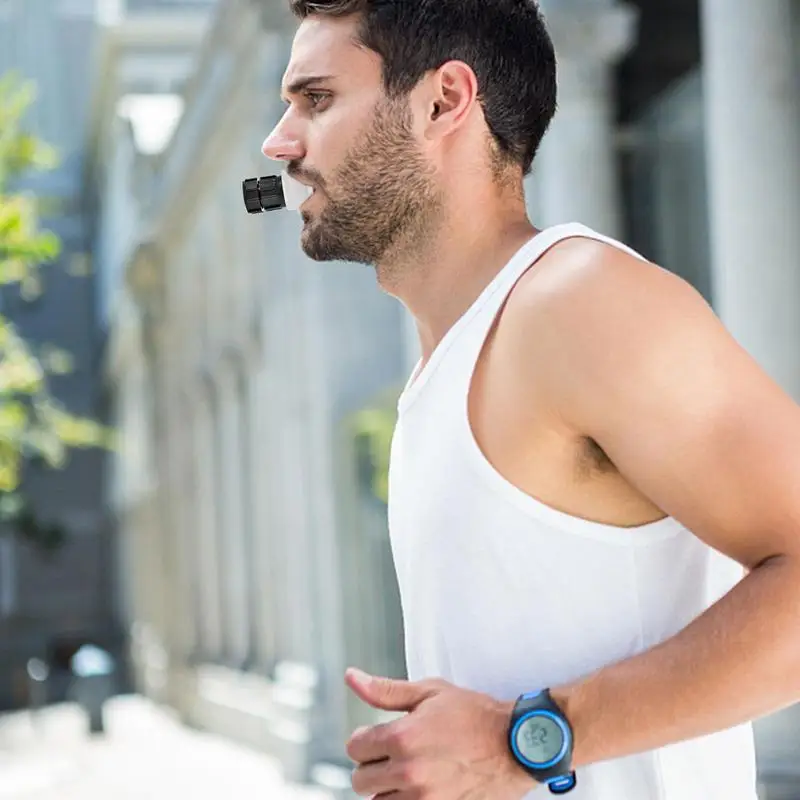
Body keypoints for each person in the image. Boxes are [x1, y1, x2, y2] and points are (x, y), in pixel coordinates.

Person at [261, 1, 800, 798]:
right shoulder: (445, 365)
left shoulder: (579, 304)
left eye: (316, 100)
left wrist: (525, 740)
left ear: (443, 100)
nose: (280, 144)